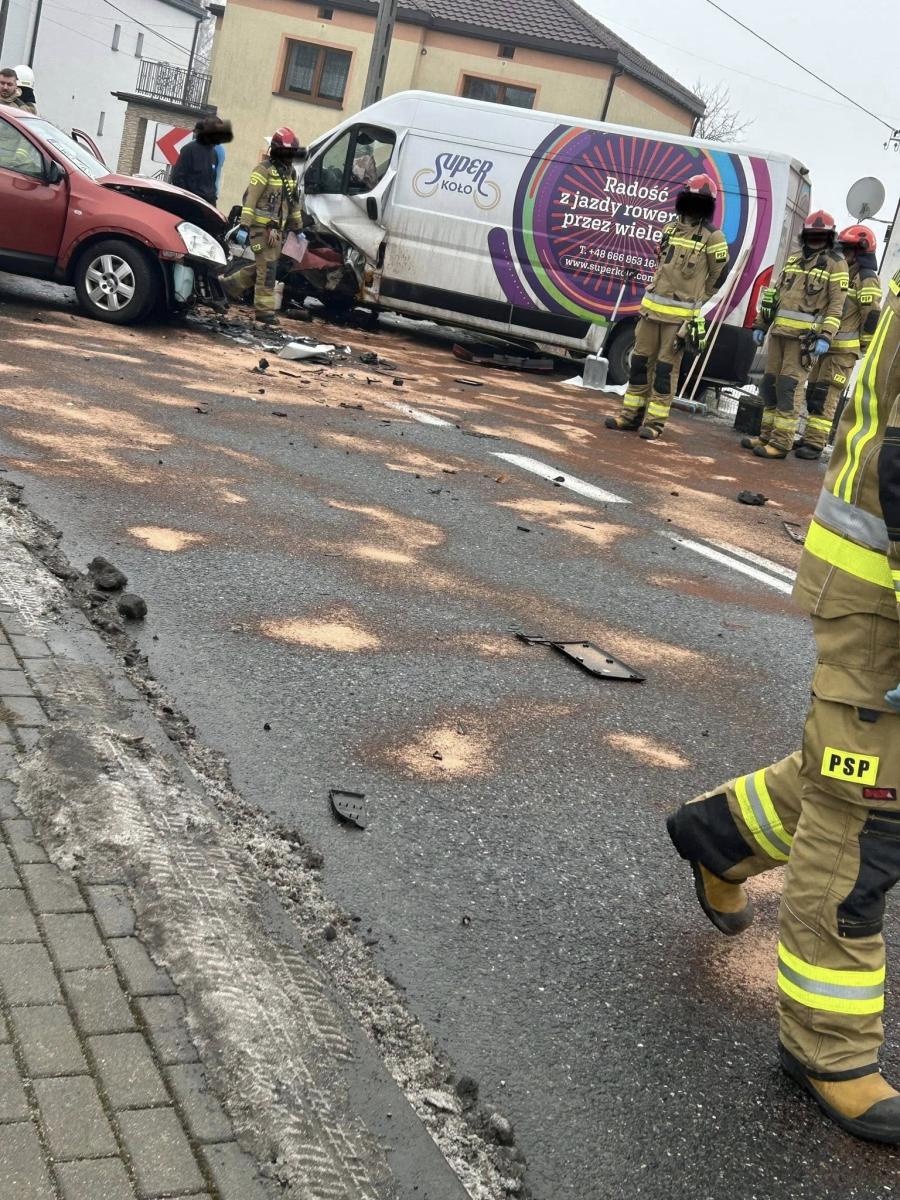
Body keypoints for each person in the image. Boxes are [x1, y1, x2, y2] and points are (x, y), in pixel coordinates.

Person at [667, 271, 900, 1142]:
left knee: (847, 780)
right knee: (867, 812)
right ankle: (826, 1050)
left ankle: (718, 837)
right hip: (885, 597)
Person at [605, 174, 730, 441]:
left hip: (679, 320)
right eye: (691, 199)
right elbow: (661, 263)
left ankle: (654, 422)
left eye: (700, 201)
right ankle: (629, 416)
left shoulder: (713, 237)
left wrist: (698, 301)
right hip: (651, 311)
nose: (694, 205)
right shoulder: (670, 228)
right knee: (639, 362)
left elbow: (718, 277)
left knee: (664, 370)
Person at [744, 211, 848, 460]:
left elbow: (836, 306)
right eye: (812, 234)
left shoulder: (836, 264)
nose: (815, 238)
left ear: (829, 237)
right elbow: (775, 295)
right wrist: (761, 324)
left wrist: (825, 336)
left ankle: (781, 443)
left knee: (789, 387)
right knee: (769, 386)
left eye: (821, 235)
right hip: (779, 333)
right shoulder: (793, 259)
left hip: (803, 341)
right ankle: (766, 435)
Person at [794, 225, 882, 461]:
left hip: (843, 351)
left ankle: (815, 443)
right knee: (813, 390)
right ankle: (808, 436)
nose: (844, 254)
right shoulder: (844, 272)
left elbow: (871, 315)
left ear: (861, 251)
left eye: (849, 250)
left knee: (826, 395)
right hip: (827, 346)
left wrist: (863, 346)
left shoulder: (867, 279)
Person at [223, 127, 306, 326]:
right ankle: (264, 311)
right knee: (268, 269)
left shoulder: (290, 173)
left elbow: (292, 203)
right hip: (260, 230)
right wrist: (244, 226)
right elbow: (250, 200)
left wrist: (298, 227)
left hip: (278, 232)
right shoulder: (263, 170)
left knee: (264, 266)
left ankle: (227, 286)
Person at [171, 116, 232, 205]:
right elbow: (177, 178)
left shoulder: (214, 153)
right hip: (190, 204)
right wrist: (190, 200)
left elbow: (211, 183)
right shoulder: (189, 149)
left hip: (207, 204)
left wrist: (212, 204)